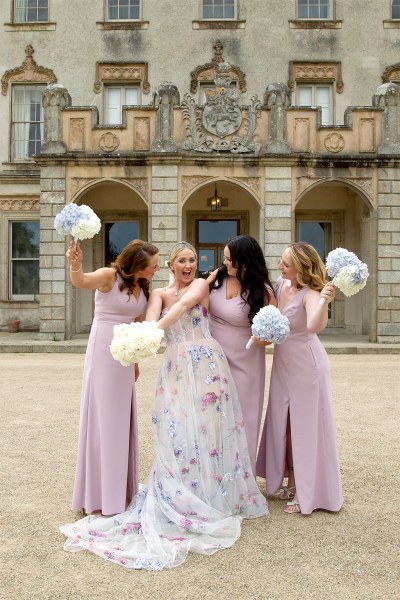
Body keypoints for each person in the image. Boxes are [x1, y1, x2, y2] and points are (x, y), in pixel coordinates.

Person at [60, 241, 268, 570]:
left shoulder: (200, 285)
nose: (188, 265)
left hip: (207, 362)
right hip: (175, 366)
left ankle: (212, 491)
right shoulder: (154, 293)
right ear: (171, 264)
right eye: (182, 260)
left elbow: (184, 306)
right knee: (178, 427)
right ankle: (180, 487)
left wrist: (153, 329)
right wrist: (141, 342)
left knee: (210, 428)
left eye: (193, 260)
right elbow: (148, 321)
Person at [66, 239, 160, 516]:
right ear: (138, 264)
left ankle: (120, 490)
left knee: (121, 419)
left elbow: (136, 322)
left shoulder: (142, 284)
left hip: (125, 354)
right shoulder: (110, 276)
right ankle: (99, 495)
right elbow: (81, 281)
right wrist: (75, 264)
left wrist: (135, 357)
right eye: (152, 266)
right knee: (103, 419)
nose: (156, 269)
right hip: (104, 350)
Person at [256, 242, 343, 515]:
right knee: (285, 422)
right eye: (281, 262)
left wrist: (325, 301)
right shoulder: (281, 285)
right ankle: (291, 481)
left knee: (304, 425)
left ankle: (305, 488)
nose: (280, 267)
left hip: (307, 364)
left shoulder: (311, 292)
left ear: (301, 268)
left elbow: (313, 326)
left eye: (285, 264)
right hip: (283, 364)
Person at [207, 235, 276, 474]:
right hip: (212, 360)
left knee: (242, 417)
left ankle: (240, 480)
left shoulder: (263, 292)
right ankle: (211, 476)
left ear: (244, 262)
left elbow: (271, 335)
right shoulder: (216, 280)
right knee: (212, 417)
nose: (224, 262)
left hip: (245, 362)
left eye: (229, 259)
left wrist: (261, 338)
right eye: (224, 258)